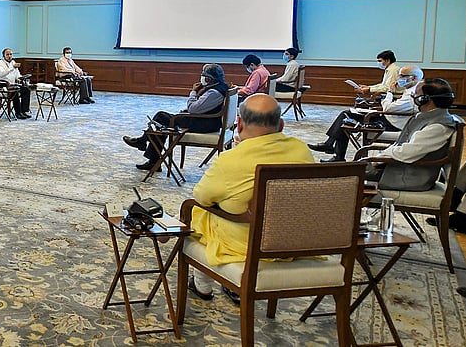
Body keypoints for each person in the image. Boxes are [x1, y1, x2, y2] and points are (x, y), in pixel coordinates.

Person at [186, 94, 314, 303]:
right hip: (293, 242)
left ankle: (203, 285)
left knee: (199, 212)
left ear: (239, 124)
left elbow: (201, 196)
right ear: (281, 125)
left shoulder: (231, 160)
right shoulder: (302, 150)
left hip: (247, 245)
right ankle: (227, 287)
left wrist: (239, 149)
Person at [123, 63, 229, 171]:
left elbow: (193, 109)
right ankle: (151, 157)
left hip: (203, 124)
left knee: (161, 117)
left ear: (209, 79)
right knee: (161, 125)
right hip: (207, 121)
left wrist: (193, 92)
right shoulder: (220, 87)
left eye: (203, 75)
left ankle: (145, 147)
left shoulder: (213, 92)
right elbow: (203, 106)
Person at [309, 65, 422, 162]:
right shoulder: (411, 89)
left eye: (402, 76)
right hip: (388, 117)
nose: (399, 78)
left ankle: (334, 151)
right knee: (346, 115)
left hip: (391, 123)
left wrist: (389, 93)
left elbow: (388, 107)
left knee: (346, 117)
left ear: (414, 78)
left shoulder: (412, 94)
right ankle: (332, 148)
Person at [364, 78, 457, 192]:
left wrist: (377, 160)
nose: (412, 96)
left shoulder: (438, 126)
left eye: (415, 94)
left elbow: (406, 153)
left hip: (406, 177)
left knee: (347, 174)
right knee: (349, 169)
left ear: (424, 99)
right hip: (397, 168)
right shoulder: (429, 116)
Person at [0, 48, 32, 119]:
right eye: (7, 54)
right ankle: (18, 113)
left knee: (26, 89)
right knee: (15, 91)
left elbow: (17, 75)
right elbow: (0, 74)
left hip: (12, 84)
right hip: (1, 84)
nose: (9, 56)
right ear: (3, 55)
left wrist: (21, 78)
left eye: (11, 54)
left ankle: (24, 111)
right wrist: (12, 67)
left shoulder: (13, 62)